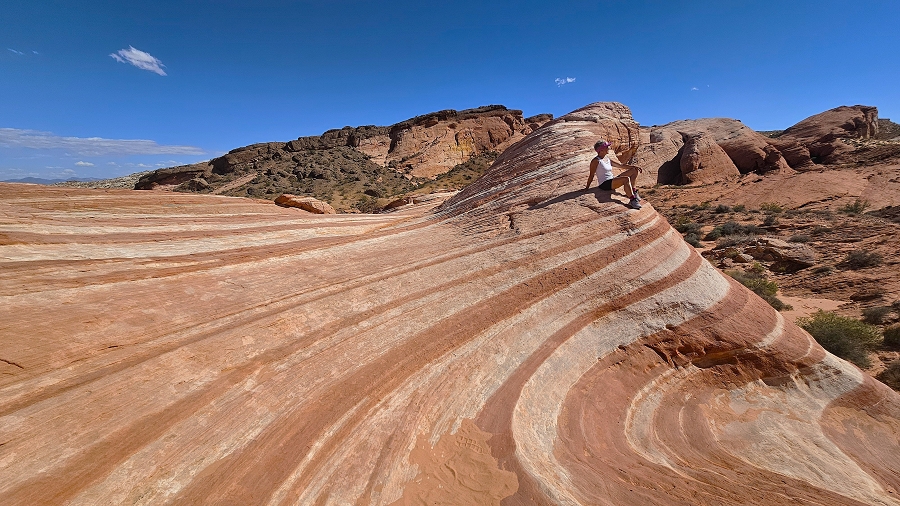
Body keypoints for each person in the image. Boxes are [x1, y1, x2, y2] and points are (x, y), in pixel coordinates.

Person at [585, 140, 643, 209]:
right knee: (626, 179)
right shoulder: (595, 161)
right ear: (601, 150)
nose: (609, 148)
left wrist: (634, 167)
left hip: (612, 180)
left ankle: (633, 191)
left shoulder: (607, 158)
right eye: (607, 147)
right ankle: (632, 200)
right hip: (605, 184)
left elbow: (620, 165)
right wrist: (587, 188)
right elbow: (591, 175)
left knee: (634, 170)